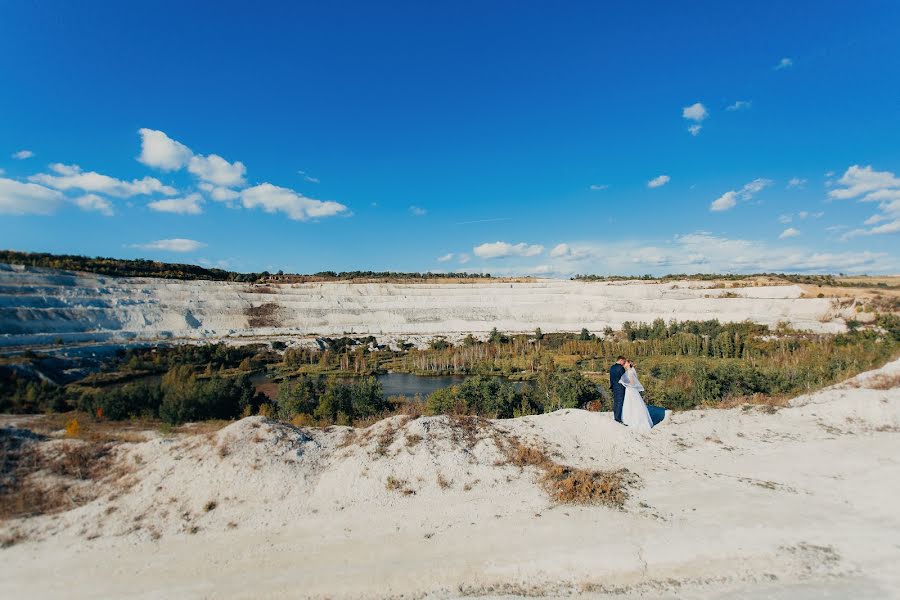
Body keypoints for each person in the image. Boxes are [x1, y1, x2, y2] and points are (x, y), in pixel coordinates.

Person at [620, 360, 653, 430]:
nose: (624, 364)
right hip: (631, 390)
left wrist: (625, 383)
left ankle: (631, 420)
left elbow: (632, 383)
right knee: (633, 404)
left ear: (628, 364)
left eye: (625, 363)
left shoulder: (630, 372)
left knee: (631, 404)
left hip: (631, 390)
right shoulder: (631, 370)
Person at [609, 356, 627, 423]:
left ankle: (616, 416)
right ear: (620, 360)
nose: (624, 363)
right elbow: (624, 379)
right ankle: (618, 419)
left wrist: (612, 386)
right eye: (623, 361)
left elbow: (611, 378)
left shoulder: (612, 367)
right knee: (620, 402)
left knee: (616, 402)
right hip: (620, 387)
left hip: (614, 387)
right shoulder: (621, 368)